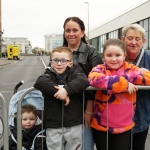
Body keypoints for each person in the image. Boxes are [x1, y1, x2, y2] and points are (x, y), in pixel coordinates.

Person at [88, 39, 150, 150]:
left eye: (118, 55)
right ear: (103, 56)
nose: (113, 59)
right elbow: (93, 79)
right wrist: (124, 84)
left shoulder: (131, 69)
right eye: (109, 55)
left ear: (124, 55)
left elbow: (148, 77)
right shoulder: (99, 69)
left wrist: (124, 80)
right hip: (101, 126)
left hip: (124, 126)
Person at [34, 47, 89, 150]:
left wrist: (66, 90)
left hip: (74, 123)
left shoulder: (75, 73)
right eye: (56, 60)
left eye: (64, 61)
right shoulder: (48, 74)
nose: (59, 63)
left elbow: (84, 80)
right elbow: (40, 82)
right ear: (51, 62)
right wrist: (61, 94)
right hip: (53, 123)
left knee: (74, 147)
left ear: (70, 63)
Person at [62, 16, 103, 150]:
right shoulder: (59, 52)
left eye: (75, 30)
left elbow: (95, 82)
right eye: (68, 30)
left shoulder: (91, 51)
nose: (71, 33)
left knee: (85, 146)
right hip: (64, 107)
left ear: (82, 32)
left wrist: (89, 110)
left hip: (85, 107)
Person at [121, 23, 150, 150]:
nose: (133, 42)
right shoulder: (115, 56)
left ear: (143, 41)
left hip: (142, 113)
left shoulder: (148, 57)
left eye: (137, 39)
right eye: (130, 38)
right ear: (123, 40)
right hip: (119, 115)